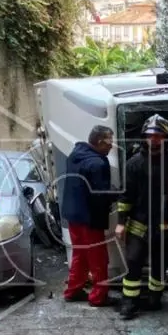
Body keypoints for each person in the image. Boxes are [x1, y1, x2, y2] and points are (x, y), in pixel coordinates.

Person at [116, 114, 168, 320]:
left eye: (158, 136)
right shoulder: (134, 163)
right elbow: (126, 196)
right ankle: (129, 302)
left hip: (165, 225)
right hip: (139, 224)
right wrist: (121, 223)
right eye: (150, 135)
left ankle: (155, 298)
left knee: (160, 264)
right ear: (144, 137)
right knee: (134, 262)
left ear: (166, 138)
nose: (153, 139)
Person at [60, 125, 115, 306]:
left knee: (80, 254)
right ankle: (99, 297)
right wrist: (119, 194)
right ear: (100, 142)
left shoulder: (75, 155)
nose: (111, 146)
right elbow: (100, 194)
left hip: (74, 216)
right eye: (109, 142)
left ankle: (73, 290)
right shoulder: (98, 163)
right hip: (90, 218)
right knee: (98, 258)